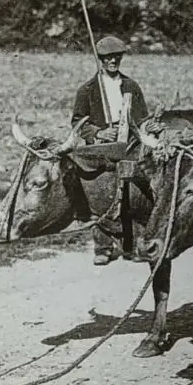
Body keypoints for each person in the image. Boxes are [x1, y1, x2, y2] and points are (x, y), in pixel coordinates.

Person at [71, 35, 151, 264]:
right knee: (101, 198)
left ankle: (131, 246)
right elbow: (78, 122)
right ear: (100, 60)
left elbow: (142, 118)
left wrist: (142, 128)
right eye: (107, 57)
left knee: (130, 194)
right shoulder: (87, 90)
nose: (113, 61)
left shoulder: (131, 86)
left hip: (127, 146)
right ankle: (103, 248)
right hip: (99, 149)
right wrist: (98, 132)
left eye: (117, 56)